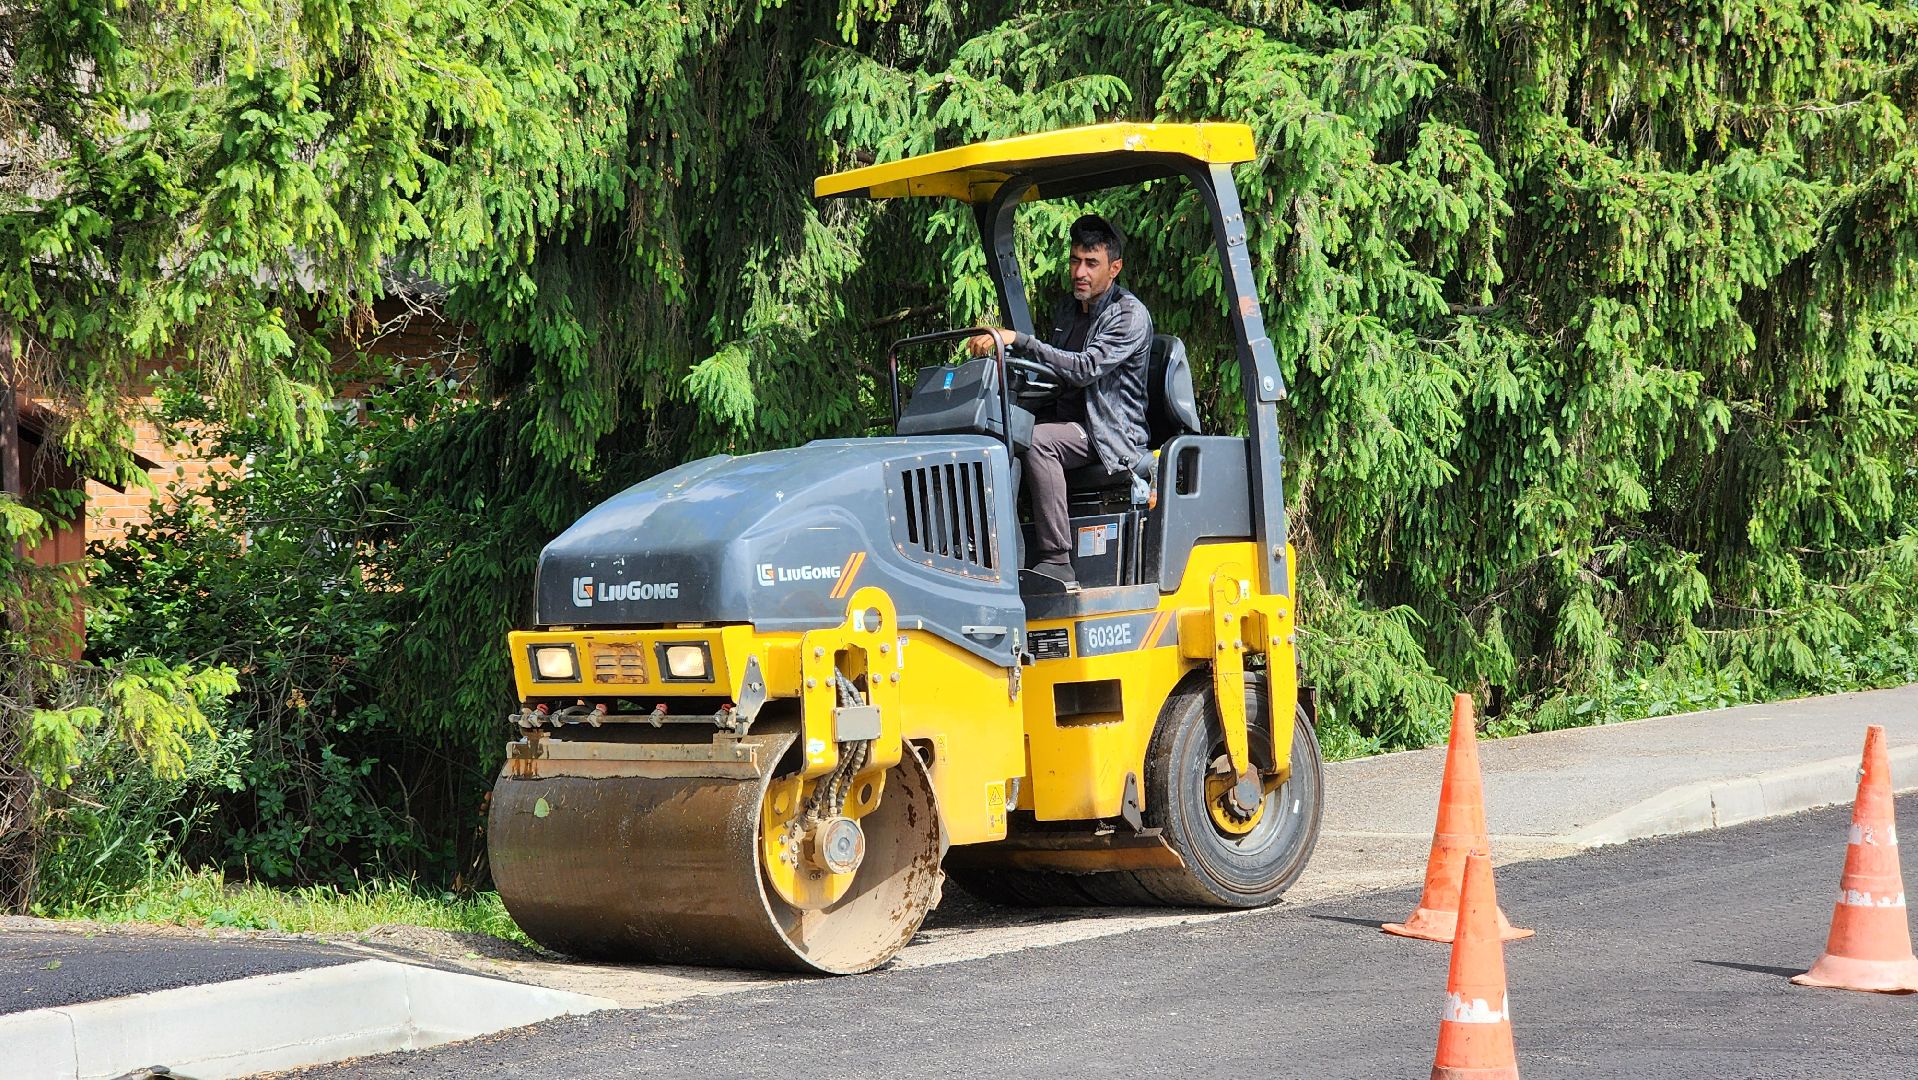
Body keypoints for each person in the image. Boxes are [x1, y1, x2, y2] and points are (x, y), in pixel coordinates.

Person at [969, 214, 1151, 590]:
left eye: (1091, 263)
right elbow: (1050, 367)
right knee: (1003, 433)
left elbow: (1083, 369)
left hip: (1109, 433)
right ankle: (991, 549)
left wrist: (1018, 339)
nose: (1079, 272)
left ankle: (1057, 562)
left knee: (1039, 443)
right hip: (1071, 423)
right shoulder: (1070, 310)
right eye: (1074, 261)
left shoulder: (1129, 316)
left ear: (1114, 268)